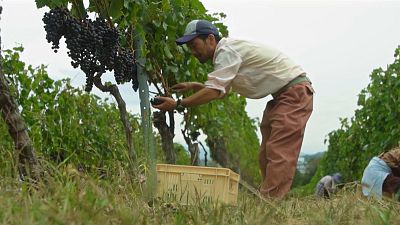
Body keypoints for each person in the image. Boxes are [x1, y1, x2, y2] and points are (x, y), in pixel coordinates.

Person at [152, 19, 314, 199]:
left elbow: (215, 91)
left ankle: (270, 203)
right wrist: (196, 85)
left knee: (279, 151)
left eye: (194, 44)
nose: (192, 51)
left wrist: (177, 104)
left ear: (210, 39)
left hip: (293, 94)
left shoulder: (225, 51)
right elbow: (223, 90)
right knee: (265, 155)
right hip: (282, 96)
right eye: (189, 47)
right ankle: (271, 198)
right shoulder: (226, 53)